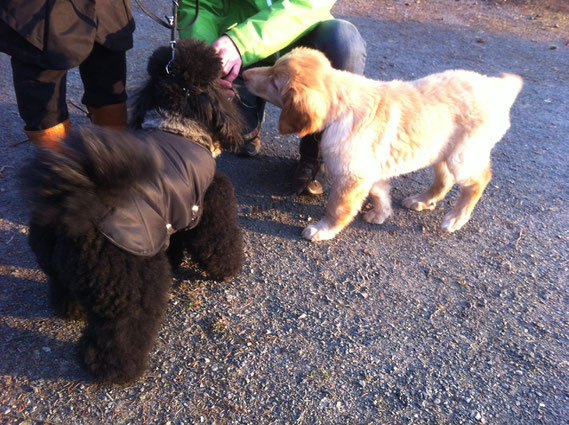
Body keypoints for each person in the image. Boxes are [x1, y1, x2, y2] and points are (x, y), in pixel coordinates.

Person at [178, 0, 367, 195]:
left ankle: (315, 155)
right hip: (237, 52)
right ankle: (248, 127)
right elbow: (198, 5)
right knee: (235, 138)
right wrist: (209, 59)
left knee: (344, 43)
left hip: (293, 39)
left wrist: (241, 42)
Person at [0, 0, 135, 149]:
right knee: (43, 84)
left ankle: (115, 156)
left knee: (107, 68)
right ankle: (61, 164)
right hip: (38, 11)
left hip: (104, 8)